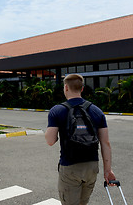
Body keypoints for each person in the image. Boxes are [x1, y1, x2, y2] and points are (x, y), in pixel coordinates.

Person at [45, 74, 116, 205]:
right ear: (82, 88)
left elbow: (50, 141)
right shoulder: (97, 111)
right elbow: (105, 143)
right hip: (91, 166)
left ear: (65, 87)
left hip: (70, 167)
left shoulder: (57, 110)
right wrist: (108, 170)